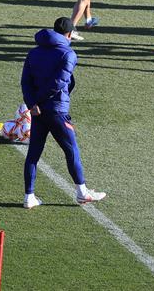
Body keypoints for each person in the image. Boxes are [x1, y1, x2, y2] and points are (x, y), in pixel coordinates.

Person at [22, 17, 106, 209]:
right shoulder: (68, 54)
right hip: (56, 110)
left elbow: (25, 82)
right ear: (69, 34)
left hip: (37, 111)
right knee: (71, 150)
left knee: (33, 153)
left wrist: (33, 104)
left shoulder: (33, 52)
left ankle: (29, 196)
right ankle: (82, 192)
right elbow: (58, 83)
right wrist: (41, 102)